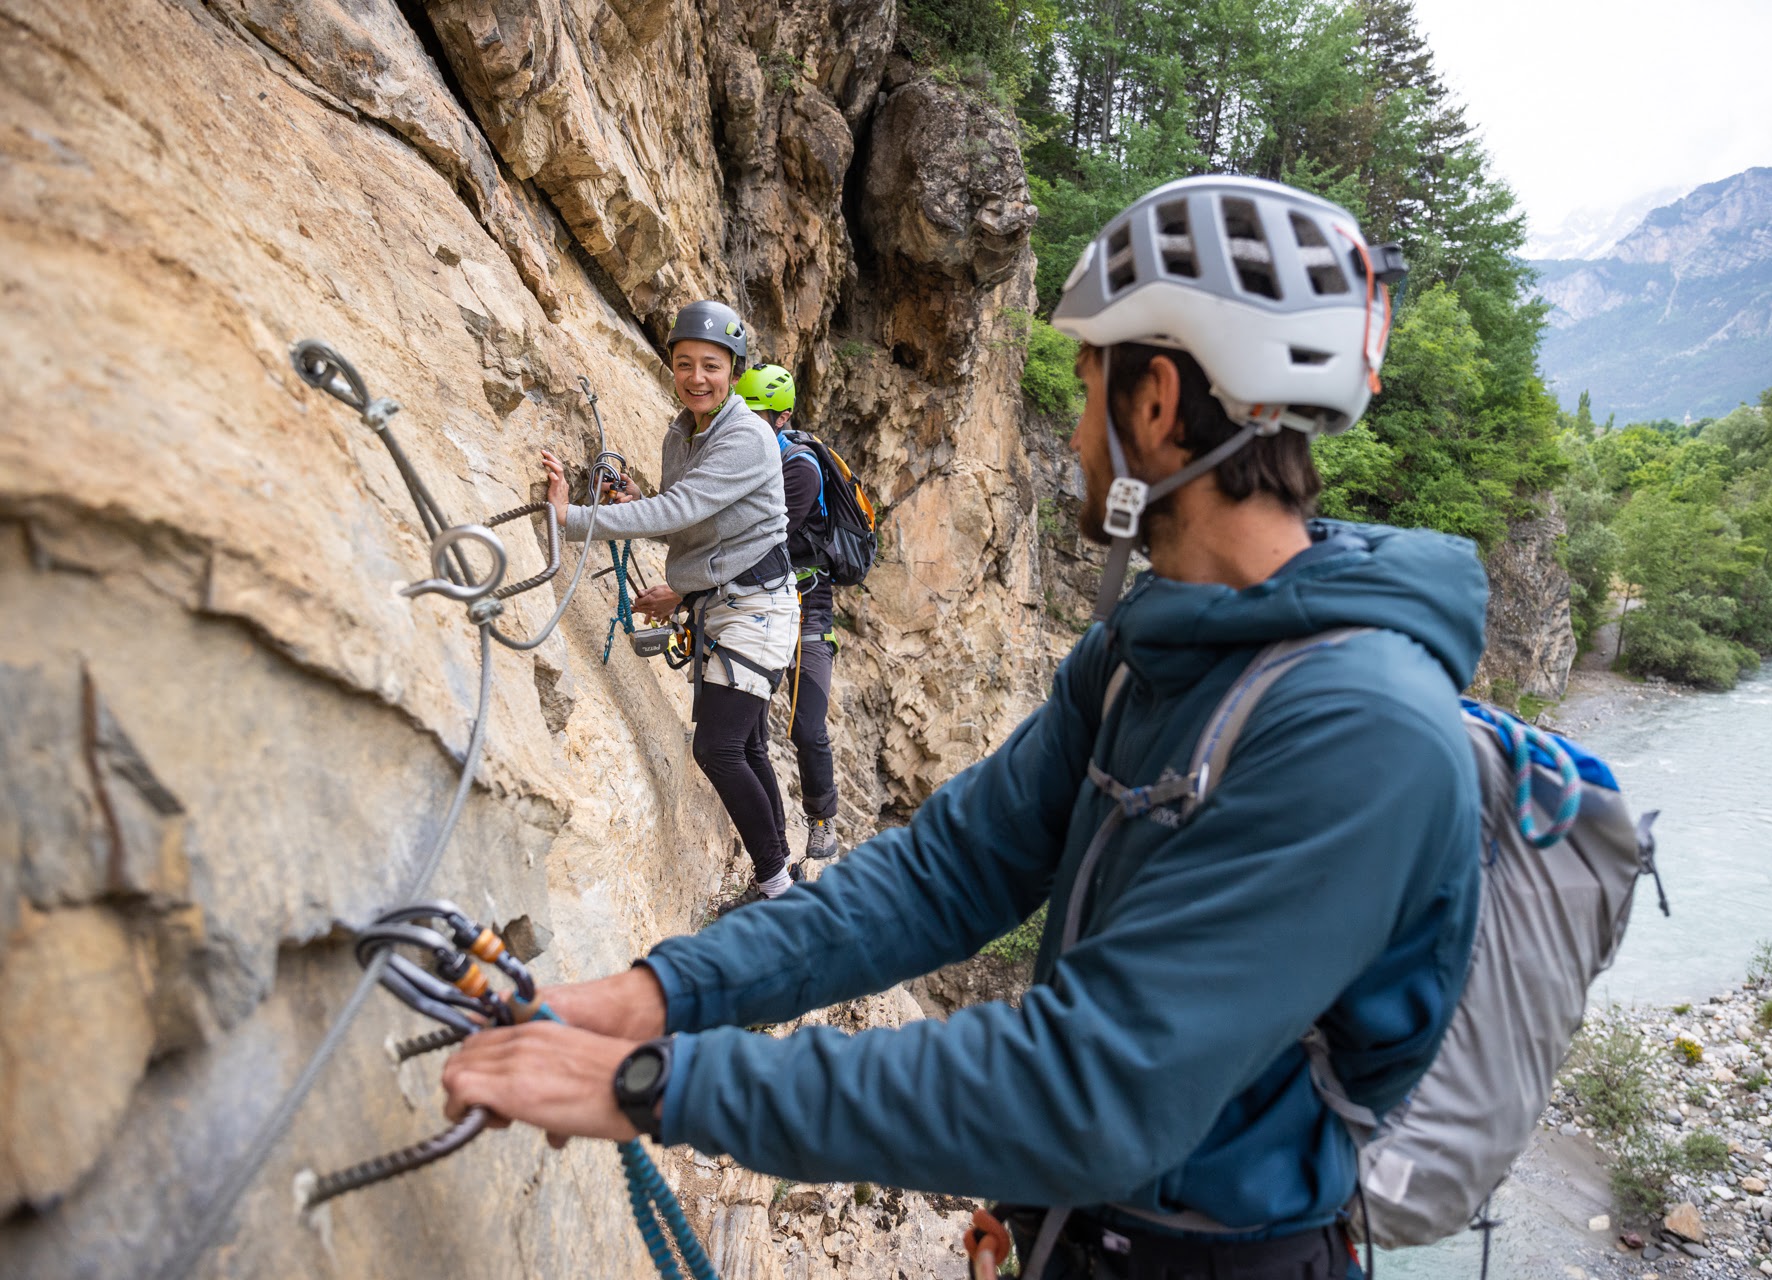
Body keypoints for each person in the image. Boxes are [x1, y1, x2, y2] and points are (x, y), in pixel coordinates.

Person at [455, 177, 1488, 1279]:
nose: (1081, 434)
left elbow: (1089, 1087)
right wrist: (653, 993)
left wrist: (659, 1082)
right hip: (1076, 1231)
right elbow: (945, 875)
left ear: (1157, 400)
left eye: (1091, 389)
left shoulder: (1364, 736)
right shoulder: (1153, 651)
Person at [542, 299, 800, 912]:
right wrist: (637, 500)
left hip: (756, 605)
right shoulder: (683, 432)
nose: (696, 377)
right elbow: (689, 517)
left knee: (718, 748)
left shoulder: (747, 436)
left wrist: (570, 519)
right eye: (684, 364)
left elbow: (679, 512)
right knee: (749, 746)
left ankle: (777, 888)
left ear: (734, 370)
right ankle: (783, 877)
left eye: (710, 365)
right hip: (726, 602)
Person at [735, 361, 842, 863]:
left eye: (762, 415)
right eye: (746, 411)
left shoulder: (799, 466)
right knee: (750, 717)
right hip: (768, 595)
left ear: (783, 416)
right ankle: (771, 832)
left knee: (804, 725)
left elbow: (767, 533)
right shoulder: (751, 453)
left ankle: (821, 821)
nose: (751, 422)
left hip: (808, 603)